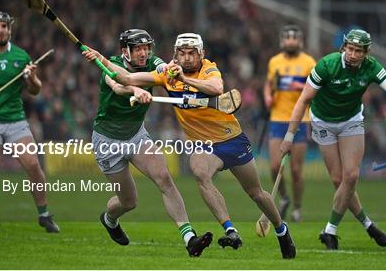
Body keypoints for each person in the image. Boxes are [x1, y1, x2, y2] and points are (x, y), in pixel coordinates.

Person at [83, 33, 296, 259]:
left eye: (191, 53)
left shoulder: (208, 69)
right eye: (182, 53)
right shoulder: (167, 74)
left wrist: (185, 80)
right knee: (200, 173)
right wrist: (103, 61)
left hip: (231, 139)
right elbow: (126, 79)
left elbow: (216, 88)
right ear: (176, 54)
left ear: (201, 53)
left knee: (256, 193)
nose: (186, 58)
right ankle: (230, 230)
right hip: (201, 145)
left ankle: (282, 231)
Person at [280, 29, 386, 250]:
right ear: (344, 47)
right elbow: (303, 100)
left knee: (350, 177)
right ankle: (368, 224)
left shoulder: (371, 67)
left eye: (358, 51)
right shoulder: (326, 65)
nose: (352, 54)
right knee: (337, 180)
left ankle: (330, 230)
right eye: (350, 49)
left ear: (366, 52)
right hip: (322, 122)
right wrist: (289, 136)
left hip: (352, 120)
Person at [89, 29, 212, 257]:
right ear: (125, 51)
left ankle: (189, 238)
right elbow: (117, 84)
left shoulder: (152, 62)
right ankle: (109, 220)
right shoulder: (111, 65)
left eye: (146, 48)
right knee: (128, 201)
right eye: (138, 49)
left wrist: (172, 71)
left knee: (164, 177)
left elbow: (162, 68)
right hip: (108, 141)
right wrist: (135, 89)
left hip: (136, 136)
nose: (144, 53)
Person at [0, 11, 59, 233]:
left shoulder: (21, 56)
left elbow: (35, 90)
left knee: (33, 165)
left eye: (4, 25)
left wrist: (32, 77)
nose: (1, 29)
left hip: (16, 119)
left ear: (10, 29)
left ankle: (44, 215)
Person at [264, 25, 316, 221]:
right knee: (275, 166)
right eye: (288, 38)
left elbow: (316, 88)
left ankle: (297, 208)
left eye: (294, 38)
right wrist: (268, 96)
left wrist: (299, 85)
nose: (291, 42)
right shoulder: (274, 62)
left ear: (300, 41)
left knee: (295, 170)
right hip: (277, 118)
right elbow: (268, 85)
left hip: (301, 119)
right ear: (282, 41)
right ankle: (284, 198)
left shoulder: (309, 62)